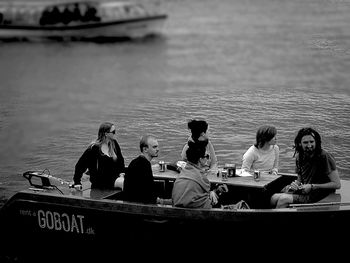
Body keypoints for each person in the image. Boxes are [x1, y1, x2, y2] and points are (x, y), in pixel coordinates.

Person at [270, 127, 341, 208]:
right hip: (306, 191)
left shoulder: (325, 157)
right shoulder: (299, 157)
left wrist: (312, 186)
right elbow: (300, 180)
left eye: (311, 142)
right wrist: (295, 185)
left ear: (316, 142)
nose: (309, 145)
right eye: (305, 142)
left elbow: (337, 184)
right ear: (300, 143)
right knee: (274, 197)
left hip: (320, 193)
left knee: (283, 199)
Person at [173, 139, 227, 208]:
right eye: (206, 156)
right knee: (222, 190)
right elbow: (207, 190)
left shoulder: (181, 174)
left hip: (179, 209)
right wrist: (213, 192)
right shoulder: (201, 177)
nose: (207, 159)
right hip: (198, 212)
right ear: (200, 159)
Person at [73, 122, 125, 189]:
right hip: (100, 181)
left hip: (115, 178)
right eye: (113, 132)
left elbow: (121, 161)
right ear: (106, 134)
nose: (115, 133)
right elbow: (80, 165)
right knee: (126, 184)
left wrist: (122, 175)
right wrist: (77, 182)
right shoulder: (93, 148)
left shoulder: (114, 144)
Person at [123, 135, 160, 204]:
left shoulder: (135, 162)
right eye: (154, 147)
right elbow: (148, 192)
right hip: (140, 206)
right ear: (145, 149)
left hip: (131, 203)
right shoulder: (145, 165)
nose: (158, 149)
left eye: (157, 146)